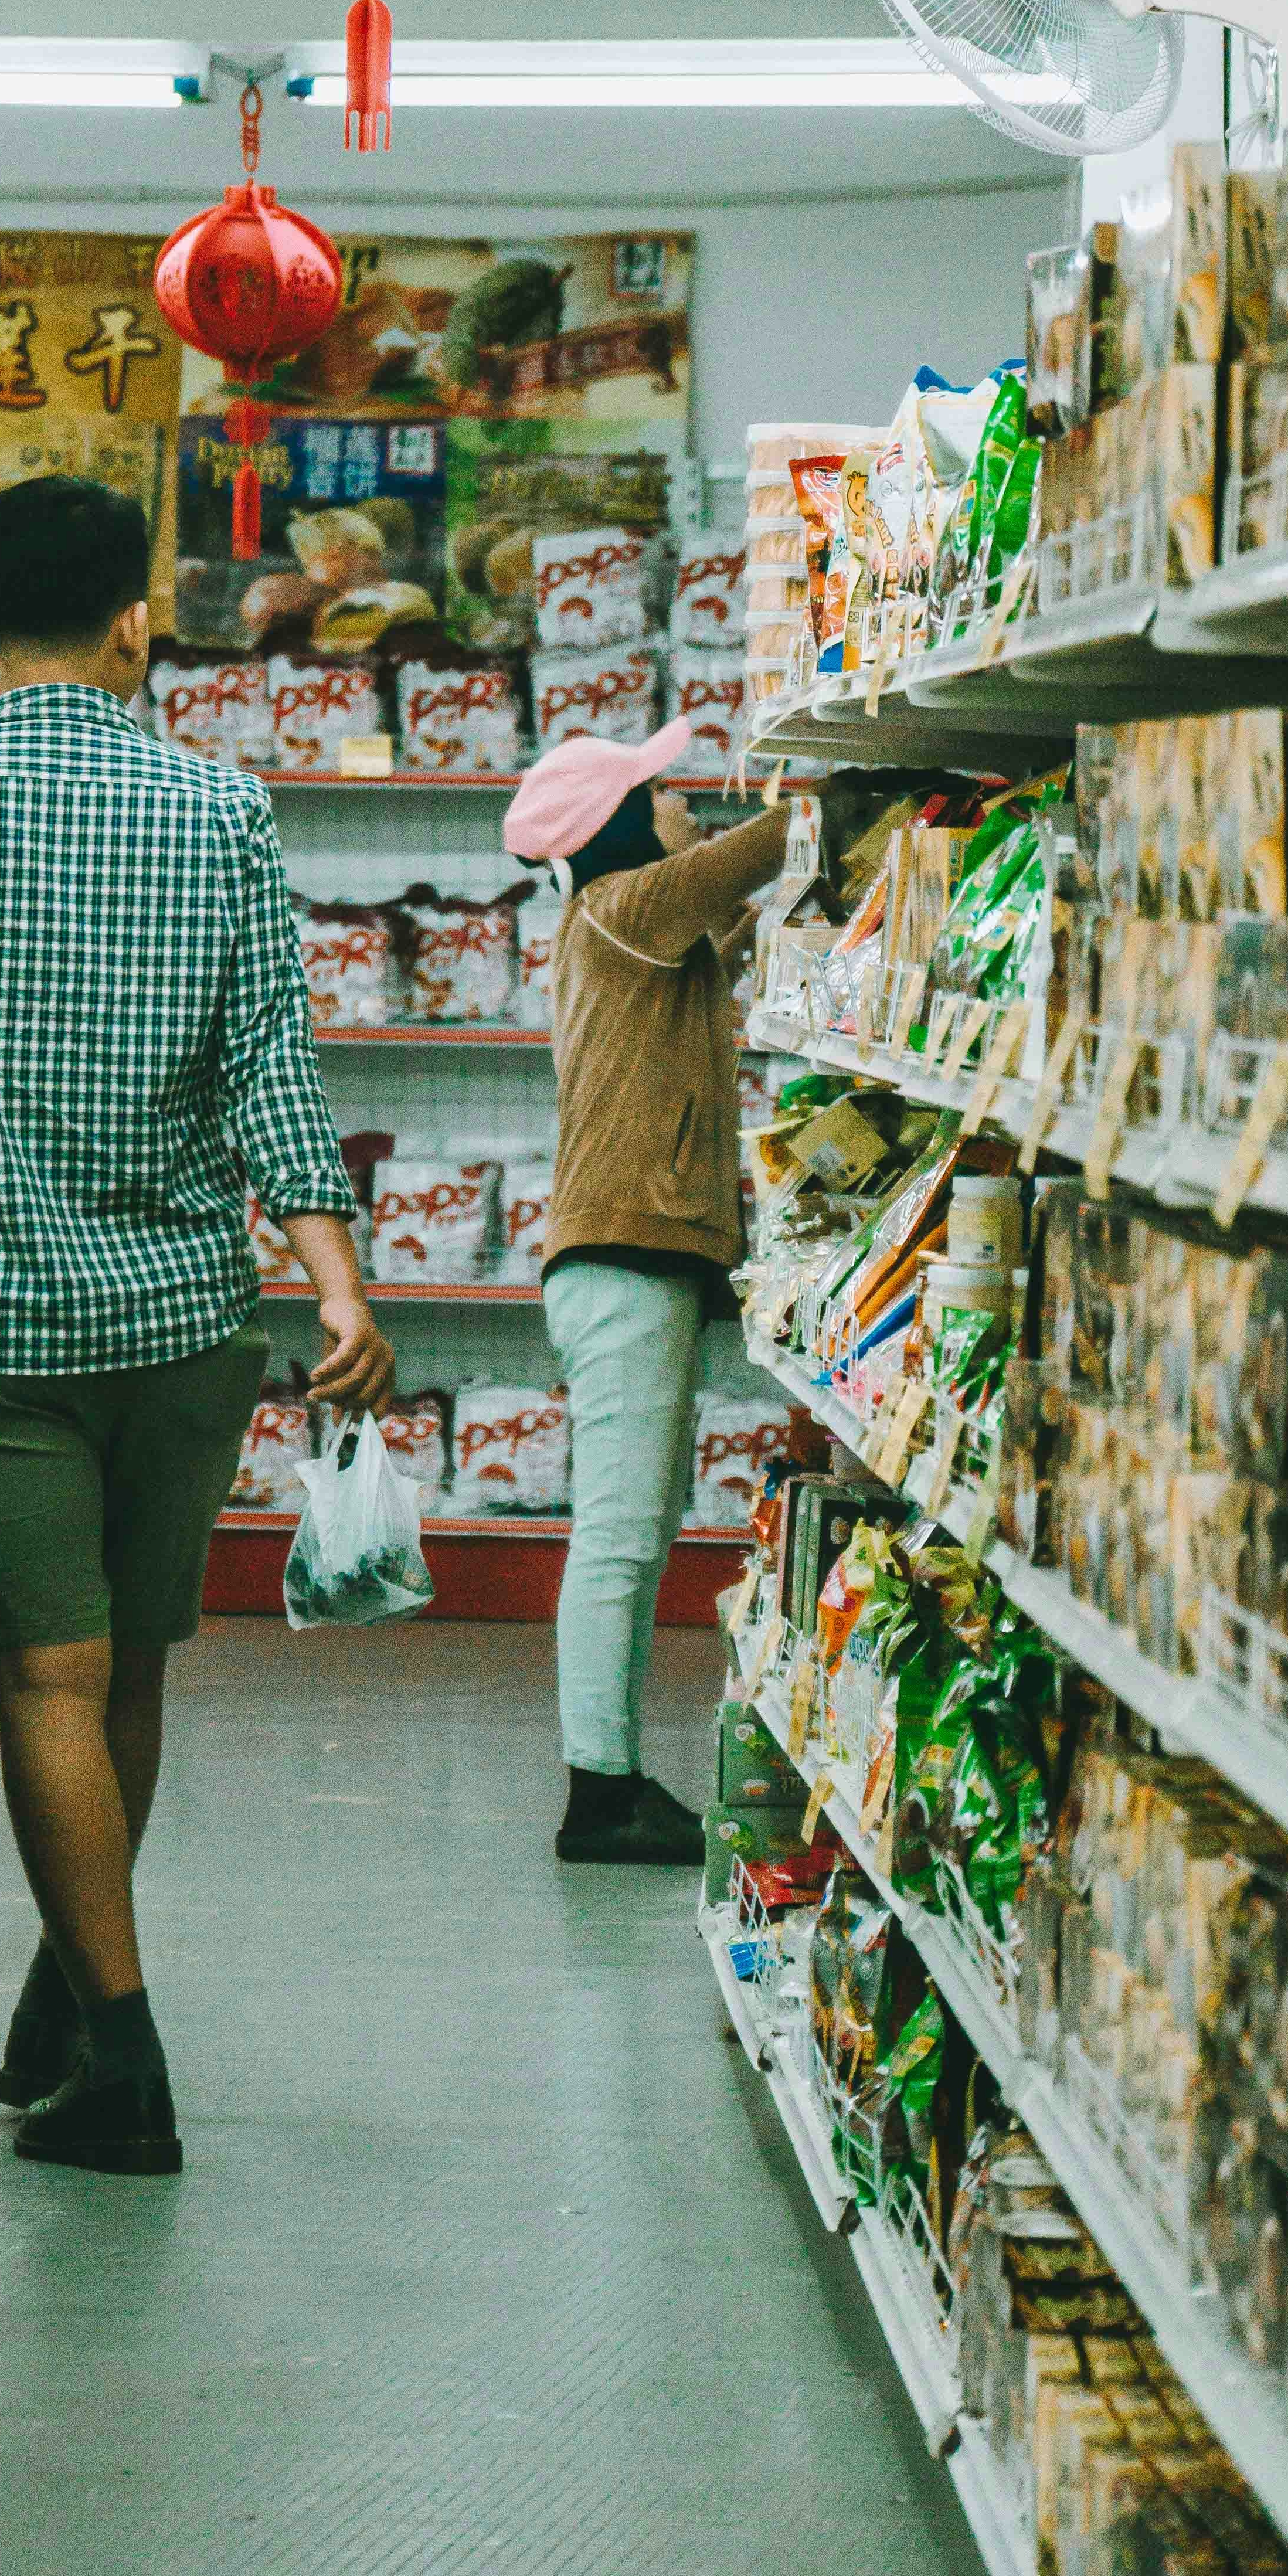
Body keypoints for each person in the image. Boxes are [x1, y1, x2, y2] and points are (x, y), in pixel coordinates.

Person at [0, 473, 392, 2176]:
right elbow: (276, 1069)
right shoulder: (221, 810)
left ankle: (119, 2051)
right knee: (130, 1664)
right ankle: (76, 1986)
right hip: (193, 1317)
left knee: (50, 1674)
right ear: (138, 620)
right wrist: (338, 1277)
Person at [503, 723, 789, 1865]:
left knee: (638, 1531)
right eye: (663, 797)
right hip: (620, 1269)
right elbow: (733, 869)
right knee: (618, 1540)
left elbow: (731, 906)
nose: (683, 814)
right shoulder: (620, 911)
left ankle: (614, 1778)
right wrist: (839, 788)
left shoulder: (640, 938)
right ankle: (598, 1791)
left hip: (637, 1268)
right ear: (622, 827)